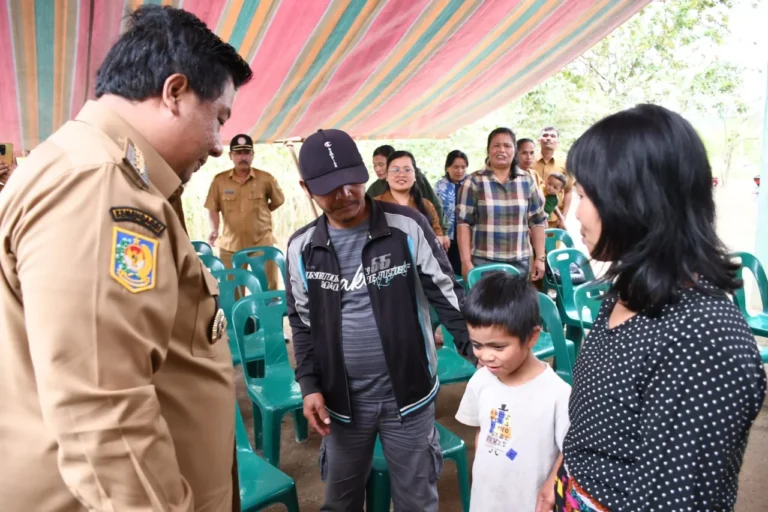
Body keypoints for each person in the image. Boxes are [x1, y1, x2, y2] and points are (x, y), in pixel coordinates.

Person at [0, 6, 252, 511]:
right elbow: (102, 410)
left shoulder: (111, 172)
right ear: (174, 92)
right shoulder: (97, 185)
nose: (221, 146)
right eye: (219, 118)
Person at [557, 104, 767, 511]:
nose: (575, 212)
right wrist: (562, 474)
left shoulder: (703, 341)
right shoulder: (629, 288)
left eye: (583, 195)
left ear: (634, 201)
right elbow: (597, 419)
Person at [286, 128, 475, 512]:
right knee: (340, 502)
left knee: (417, 501)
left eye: (351, 182)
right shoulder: (301, 248)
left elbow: (449, 296)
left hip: (409, 397)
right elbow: (302, 325)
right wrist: (309, 385)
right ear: (307, 188)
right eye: (329, 188)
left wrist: (482, 354)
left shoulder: (406, 226)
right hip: (341, 402)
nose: (345, 196)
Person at [456, 272, 570, 512]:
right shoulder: (481, 381)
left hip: (530, 502)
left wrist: (551, 487)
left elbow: (569, 452)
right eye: (477, 345)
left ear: (531, 337)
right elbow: (482, 430)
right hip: (486, 500)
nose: (485, 356)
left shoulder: (558, 394)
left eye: (498, 346)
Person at [457, 127, 547, 280]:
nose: (502, 150)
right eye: (496, 145)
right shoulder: (473, 181)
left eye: (507, 146)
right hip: (483, 262)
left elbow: (538, 221)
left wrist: (540, 257)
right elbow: (463, 224)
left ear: (514, 150)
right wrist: (465, 261)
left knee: (518, 304)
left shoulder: (527, 180)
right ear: (488, 150)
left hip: (520, 263)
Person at [205, 133, 285, 289]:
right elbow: (213, 207)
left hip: (262, 245)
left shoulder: (265, 179)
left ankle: (267, 314)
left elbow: (278, 201)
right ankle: (241, 315)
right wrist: (214, 230)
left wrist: (262, 212)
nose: (243, 157)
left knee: (268, 290)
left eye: (247, 153)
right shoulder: (219, 181)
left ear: (253, 155)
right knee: (233, 291)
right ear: (231, 156)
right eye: (238, 153)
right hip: (230, 248)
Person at [374, 150, 449, 250]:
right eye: (395, 170)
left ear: (415, 176)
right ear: (386, 176)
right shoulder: (374, 206)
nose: (401, 174)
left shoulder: (426, 205)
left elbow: (437, 239)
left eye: (407, 169)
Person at [366, 145, 446, 230]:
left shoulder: (425, 199)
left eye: (381, 164)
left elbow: (435, 205)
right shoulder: (374, 190)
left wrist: (441, 231)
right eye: (375, 165)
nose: (377, 169)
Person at [434, 149, 469, 275]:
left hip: (469, 239)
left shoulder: (471, 184)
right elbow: (435, 213)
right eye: (455, 167)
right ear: (447, 167)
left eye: (463, 167)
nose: (459, 171)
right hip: (448, 240)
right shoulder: (439, 187)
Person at [532, 127, 574, 220]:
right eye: (545, 135)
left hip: (553, 218)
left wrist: (563, 217)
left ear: (557, 142)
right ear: (539, 140)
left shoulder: (565, 163)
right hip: (530, 216)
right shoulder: (529, 160)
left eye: (553, 136)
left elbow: (568, 191)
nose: (548, 138)